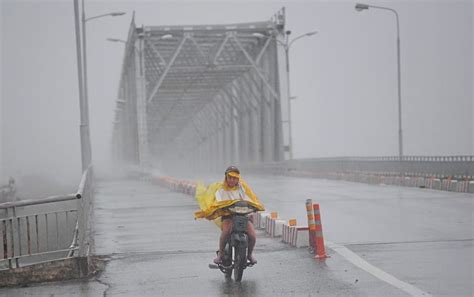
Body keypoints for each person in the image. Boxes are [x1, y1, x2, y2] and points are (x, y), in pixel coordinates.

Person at [212, 166, 263, 265]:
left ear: (238, 179)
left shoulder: (242, 188)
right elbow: (217, 201)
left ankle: (249, 254)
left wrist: (255, 207)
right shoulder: (220, 190)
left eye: (235, 178)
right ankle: (221, 254)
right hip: (228, 217)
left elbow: (251, 198)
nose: (232, 180)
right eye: (230, 177)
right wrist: (221, 207)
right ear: (226, 177)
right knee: (226, 232)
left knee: (252, 236)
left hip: (242, 217)